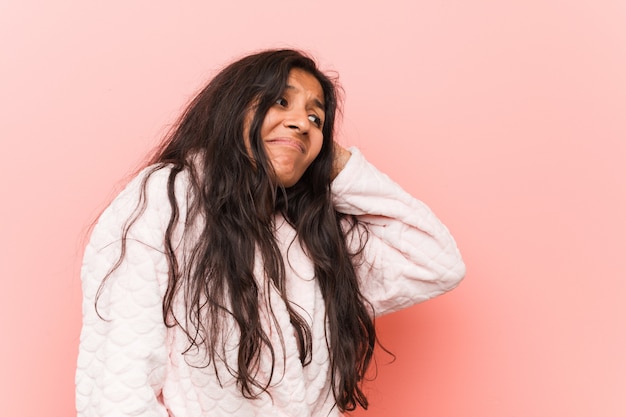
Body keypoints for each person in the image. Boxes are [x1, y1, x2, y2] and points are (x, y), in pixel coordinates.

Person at [76, 49, 466, 417]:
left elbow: (436, 263)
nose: (301, 122)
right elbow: (116, 383)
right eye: (281, 102)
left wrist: (339, 166)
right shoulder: (170, 194)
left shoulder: (309, 232)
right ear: (231, 108)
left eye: (316, 119)